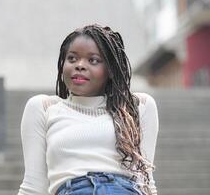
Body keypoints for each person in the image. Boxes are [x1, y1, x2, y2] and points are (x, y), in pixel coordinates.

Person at [18, 24, 159, 195]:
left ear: (110, 70)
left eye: (93, 60)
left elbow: (146, 181)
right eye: (72, 58)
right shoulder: (44, 108)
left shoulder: (137, 107)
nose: (80, 65)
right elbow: (33, 186)